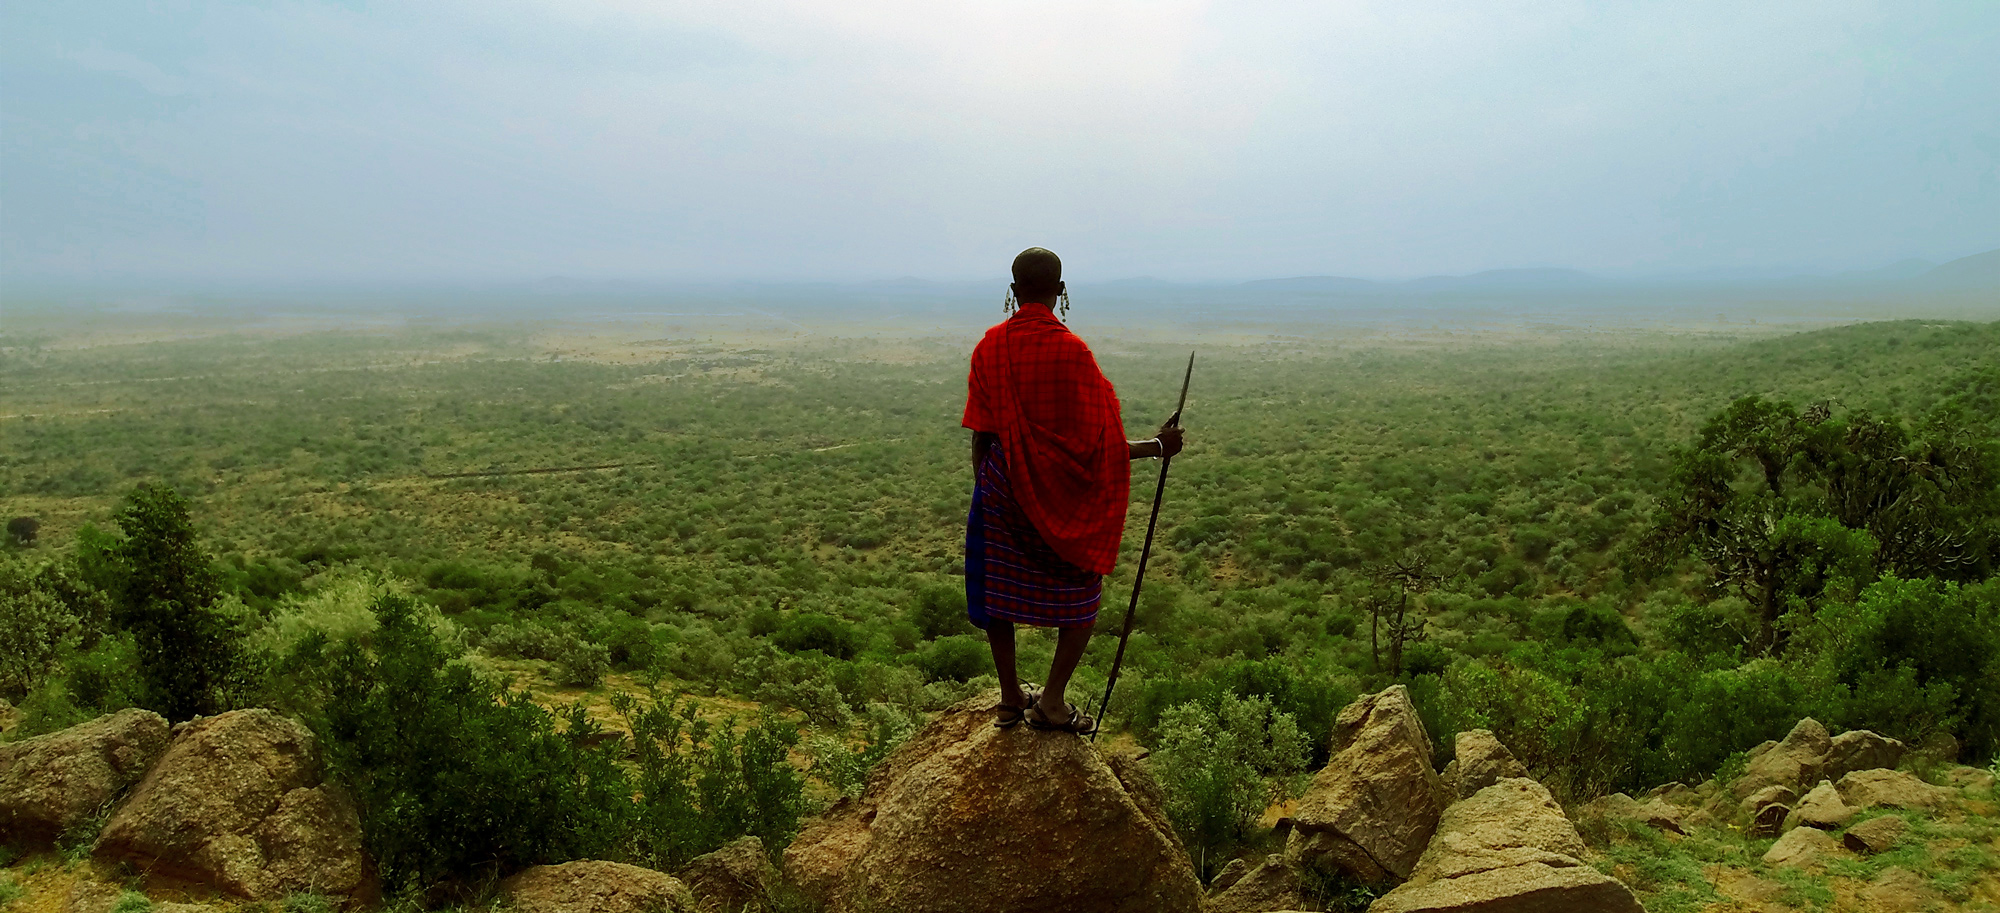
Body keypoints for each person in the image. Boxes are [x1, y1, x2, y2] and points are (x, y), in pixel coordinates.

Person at [961, 247, 1185, 734]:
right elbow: (1098, 444)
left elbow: (981, 436)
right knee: (1083, 590)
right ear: (1060, 292)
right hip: (1060, 495)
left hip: (999, 489)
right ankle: (1053, 702)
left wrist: (990, 492)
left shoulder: (990, 347)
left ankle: (1008, 699)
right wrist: (1158, 447)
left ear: (1013, 291)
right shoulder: (1073, 352)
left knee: (995, 590)